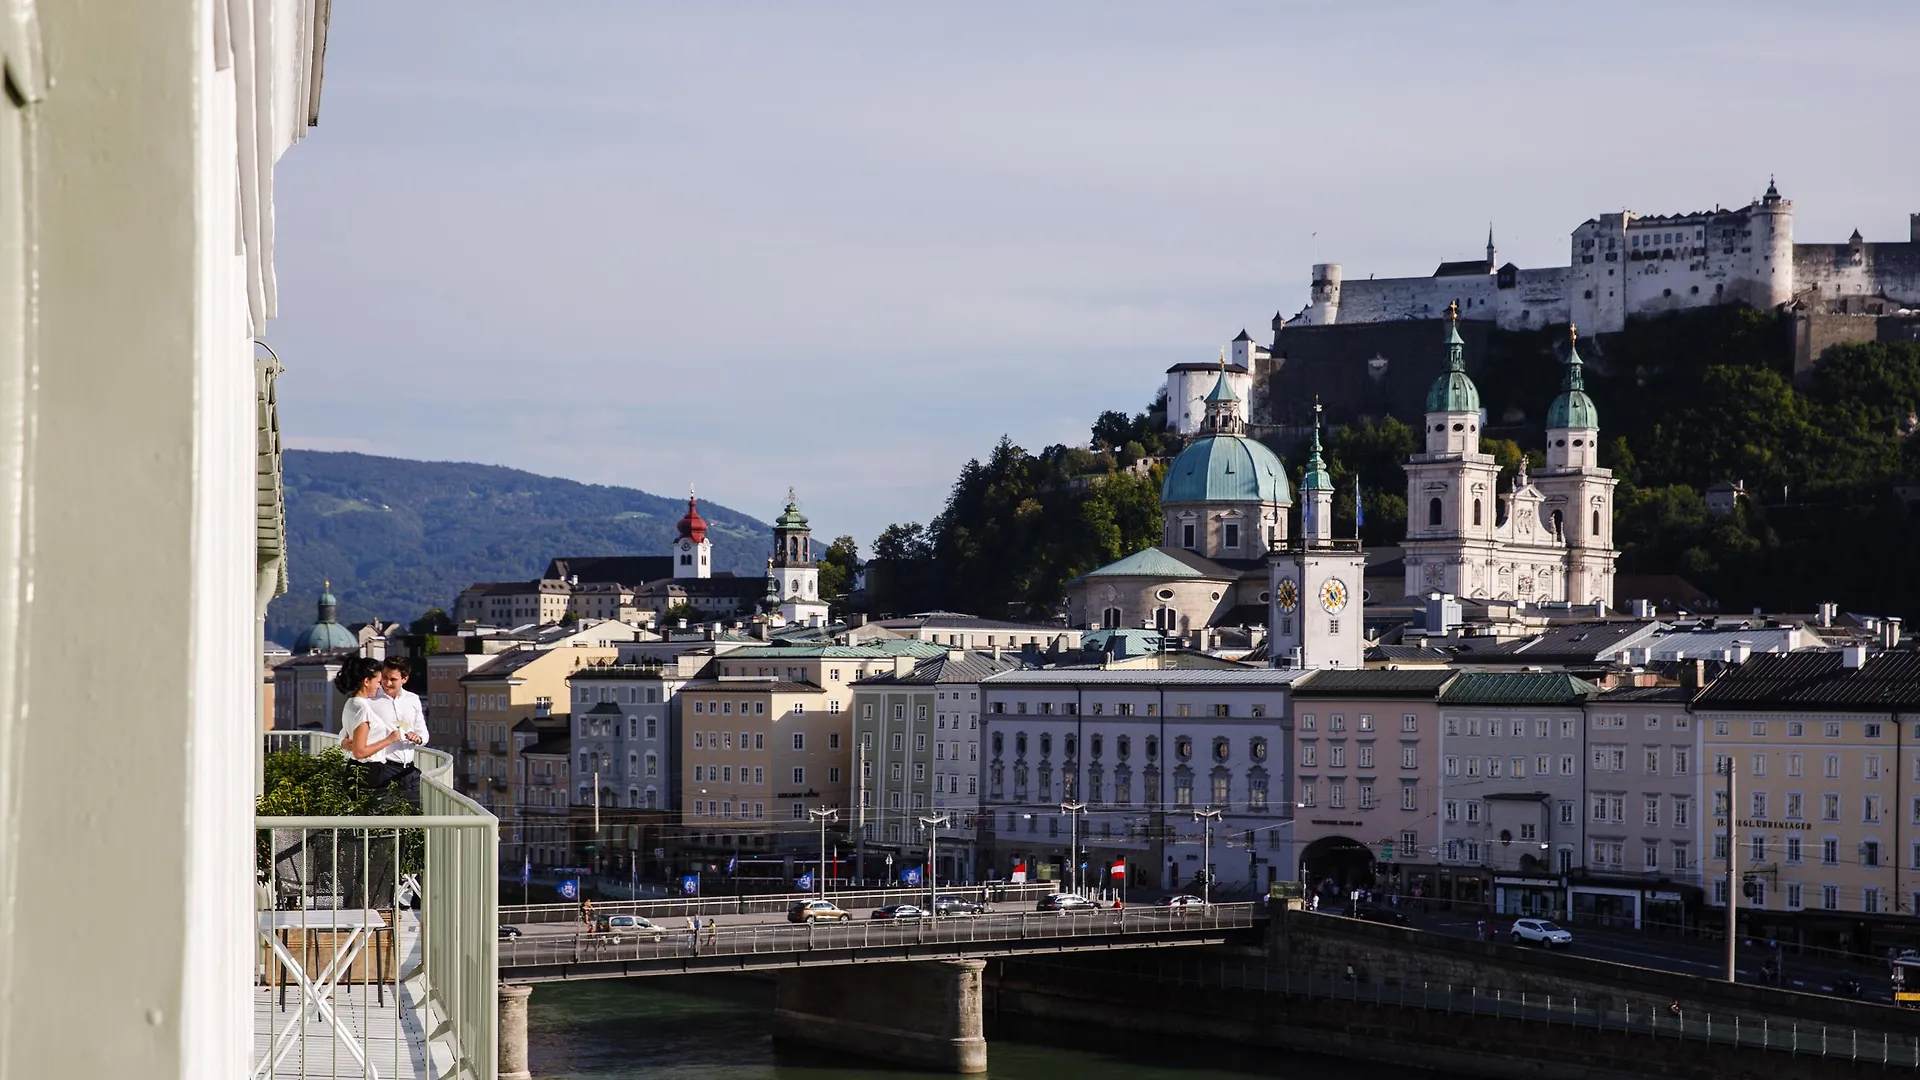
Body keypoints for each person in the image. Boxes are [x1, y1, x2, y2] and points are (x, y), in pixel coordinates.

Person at [337, 656, 418, 792]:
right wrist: (390, 739)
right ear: (367, 681)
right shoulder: (363, 709)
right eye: (378, 681)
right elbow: (360, 752)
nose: (380, 686)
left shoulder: (351, 704)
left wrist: (345, 742)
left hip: (358, 770)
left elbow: (349, 737)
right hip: (369, 772)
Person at [369, 659, 426, 802]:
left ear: (404, 679)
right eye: (385, 677)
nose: (387, 683)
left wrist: (418, 738)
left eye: (393, 679)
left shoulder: (413, 699)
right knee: (385, 817)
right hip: (383, 768)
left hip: (409, 771)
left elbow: (423, 731)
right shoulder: (370, 699)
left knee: (416, 816)